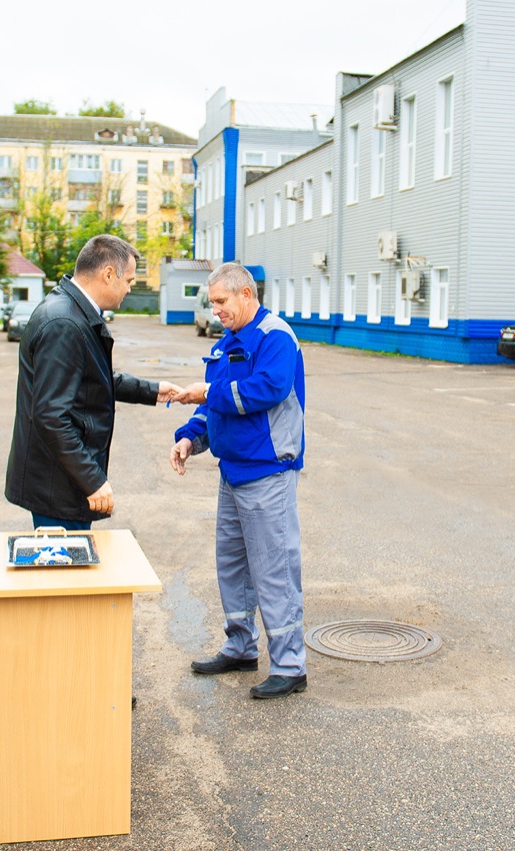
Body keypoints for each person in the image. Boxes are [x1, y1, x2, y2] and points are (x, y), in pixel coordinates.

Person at [170, 262, 308, 700]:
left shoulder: (275, 338)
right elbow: (214, 404)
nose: (216, 312)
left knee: (275, 571)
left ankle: (289, 666)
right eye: (212, 303)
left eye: (221, 302)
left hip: (267, 474)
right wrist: (191, 438)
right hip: (232, 472)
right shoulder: (228, 342)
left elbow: (265, 389)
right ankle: (240, 646)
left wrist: (207, 393)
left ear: (246, 294)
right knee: (232, 565)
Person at [6, 234, 180, 529]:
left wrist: (153, 391)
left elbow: (90, 380)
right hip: (58, 489)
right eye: (128, 281)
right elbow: (50, 416)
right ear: (108, 274)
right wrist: (92, 480)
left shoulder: (72, 312)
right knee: (66, 574)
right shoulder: (65, 323)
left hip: (61, 482)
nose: (128, 289)